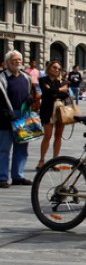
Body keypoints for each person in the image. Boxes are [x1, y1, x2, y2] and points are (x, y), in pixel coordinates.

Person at [0, 50, 36, 188]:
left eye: (19, 60)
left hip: (22, 115)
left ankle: (18, 176)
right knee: (3, 149)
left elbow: (30, 91)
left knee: (22, 148)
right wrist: (4, 111)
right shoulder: (2, 77)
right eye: (14, 60)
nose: (17, 62)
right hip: (5, 117)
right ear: (7, 62)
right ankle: (2, 177)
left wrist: (30, 98)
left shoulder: (26, 77)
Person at [36, 61, 70, 170]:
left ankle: (55, 161)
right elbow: (46, 92)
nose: (57, 70)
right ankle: (42, 160)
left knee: (58, 135)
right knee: (48, 135)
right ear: (49, 68)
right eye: (54, 67)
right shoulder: (43, 80)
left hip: (60, 109)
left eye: (59, 68)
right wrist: (59, 90)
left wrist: (53, 91)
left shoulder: (62, 81)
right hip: (47, 109)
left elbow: (65, 94)